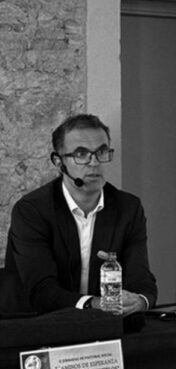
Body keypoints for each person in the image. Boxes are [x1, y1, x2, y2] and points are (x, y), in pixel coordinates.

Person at [0, 114, 157, 315]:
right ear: (58, 161)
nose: (94, 162)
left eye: (101, 152)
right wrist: (95, 304)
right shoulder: (32, 210)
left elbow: (140, 278)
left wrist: (140, 301)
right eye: (81, 154)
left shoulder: (128, 208)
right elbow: (41, 290)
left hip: (102, 323)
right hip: (36, 323)